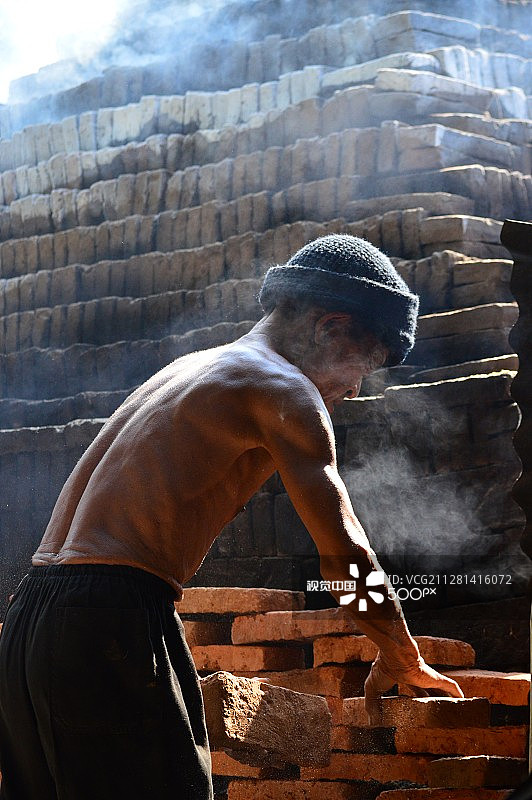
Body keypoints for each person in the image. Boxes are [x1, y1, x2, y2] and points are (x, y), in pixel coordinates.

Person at [0, 234, 463, 799]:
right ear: (331, 327)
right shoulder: (283, 389)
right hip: (109, 621)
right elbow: (345, 554)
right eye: (365, 365)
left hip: (32, 620)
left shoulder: (193, 368)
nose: (356, 387)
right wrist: (400, 653)